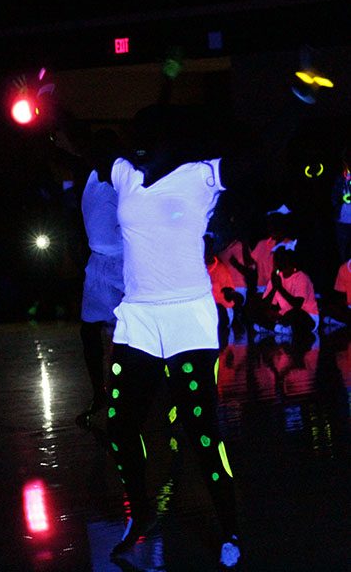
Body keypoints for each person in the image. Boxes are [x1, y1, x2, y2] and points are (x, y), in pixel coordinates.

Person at [97, 105, 243, 567]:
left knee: (202, 433)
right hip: (139, 317)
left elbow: (262, 153)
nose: (136, 152)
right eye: (133, 144)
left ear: (168, 142)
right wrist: (44, 105)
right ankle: (140, 513)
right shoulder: (125, 176)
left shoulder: (201, 177)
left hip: (189, 319)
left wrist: (299, 105)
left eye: (145, 144)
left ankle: (230, 530)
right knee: (120, 423)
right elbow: (81, 144)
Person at [75, 130, 124, 428]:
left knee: (127, 333)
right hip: (97, 263)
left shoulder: (122, 179)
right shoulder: (91, 176)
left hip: (123, 263)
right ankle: (100, 395)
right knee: (89, 331)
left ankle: (123, 396)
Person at [251, 245, 319, 336]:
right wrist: (274, 288)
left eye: (280, 260)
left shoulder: (301, 277)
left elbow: (297, 304)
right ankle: (278, 328)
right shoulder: (276, 278)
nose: (276, 264)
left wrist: (280, 288)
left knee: (294, 314)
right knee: (255, 308)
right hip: (284, 316)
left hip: (307, 316)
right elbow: (266, 305)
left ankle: (273, 327)